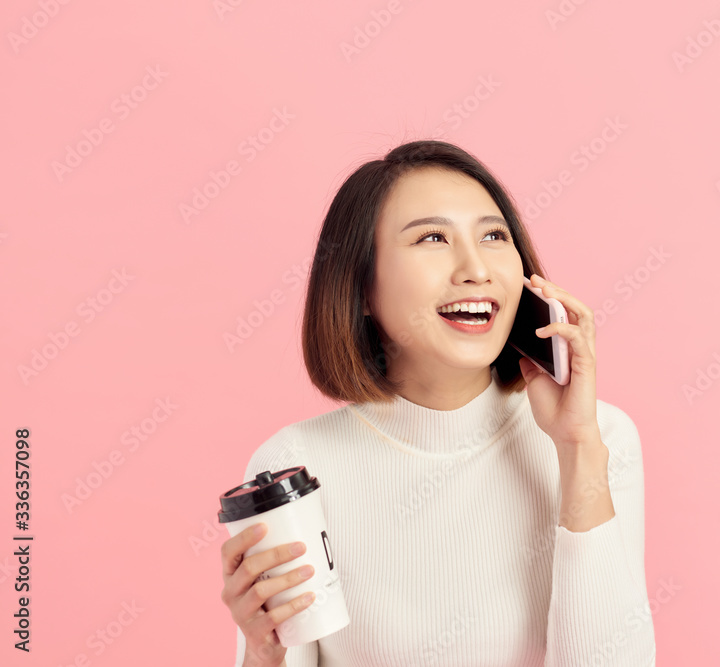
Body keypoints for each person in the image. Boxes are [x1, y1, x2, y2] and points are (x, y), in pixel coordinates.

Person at [219, 140, 656, 666]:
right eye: (432, 238)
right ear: (361, 287)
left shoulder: (600, 437)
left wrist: (578, 448)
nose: (476, 269)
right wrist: (263, 654)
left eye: (494, 236)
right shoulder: (294, 466)